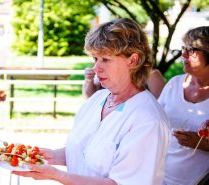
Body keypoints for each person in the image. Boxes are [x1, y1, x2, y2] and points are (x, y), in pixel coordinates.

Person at [14, 18, 170, 185]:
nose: (96, 68)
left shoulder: (148, 119)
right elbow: (84, 153)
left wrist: (56, 175)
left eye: (105, 59)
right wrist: (45, 156)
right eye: (95, 59)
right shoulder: (98, 99)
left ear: (133, 60)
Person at [158, 26, 209, 185]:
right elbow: (155, 123)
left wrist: (204, 144)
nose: (183, 54)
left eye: (192, 49)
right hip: (160, 178)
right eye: (183, 48)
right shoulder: (174, 84)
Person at [83, 68, 165, 99]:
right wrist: (89, 80)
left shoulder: (152, 74)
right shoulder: (108, 70)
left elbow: (161, 104)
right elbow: (89, 96)